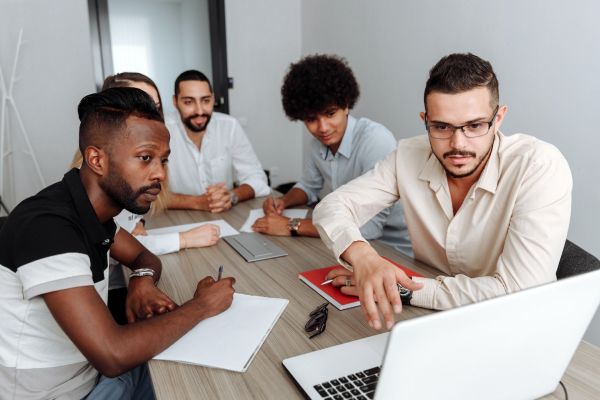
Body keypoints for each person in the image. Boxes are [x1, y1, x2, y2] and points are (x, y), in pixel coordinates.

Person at [0, 87, 235, 399]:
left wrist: (141, 282)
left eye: (163, 160)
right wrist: (203, 305)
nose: (160, 174)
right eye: (145, 158)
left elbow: (144, 257)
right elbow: (113, 354)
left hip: (94, 376)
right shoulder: (48, 226)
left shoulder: (91, 212)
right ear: (97, 159)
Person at [313, 53, 572, 331]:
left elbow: (518, 293)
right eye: (441, 127)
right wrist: (363, 256)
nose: (458, 144)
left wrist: (404, 289)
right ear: (425, 121)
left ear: (499, 119)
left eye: (474, 125)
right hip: (431, 324)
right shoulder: (408, 155)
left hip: (516, 328)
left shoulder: (539, 166)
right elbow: (331, 207)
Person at [70, 72, 220, 324]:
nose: (150, 117)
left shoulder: (112, 198)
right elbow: (110, 351)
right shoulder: (69, 216)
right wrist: (184, 240)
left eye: (154, 108)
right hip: (109, 299)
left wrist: (142, 273)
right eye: (138, 106)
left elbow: (136, 250)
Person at [252, 54, 411, 256]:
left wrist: (291, 225)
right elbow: (309, 186)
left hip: (391, 249)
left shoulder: (375, 140)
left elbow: (370, 228)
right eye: (311, 119)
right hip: (345, 242)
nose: (322, 128)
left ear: (346, 106)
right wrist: (285, 201)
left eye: (330, 114)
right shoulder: (317, 144)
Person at [165, 70, 269, 212]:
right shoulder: (161, 130)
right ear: (175, 101)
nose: (200, 111)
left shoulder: (229, 126)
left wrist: (231, 196)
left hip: (223, 215)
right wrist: (196, 202)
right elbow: (146, 195)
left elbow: (257, 179)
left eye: (206, 100)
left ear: (213, 99)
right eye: (189, 102)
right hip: (174, 219)